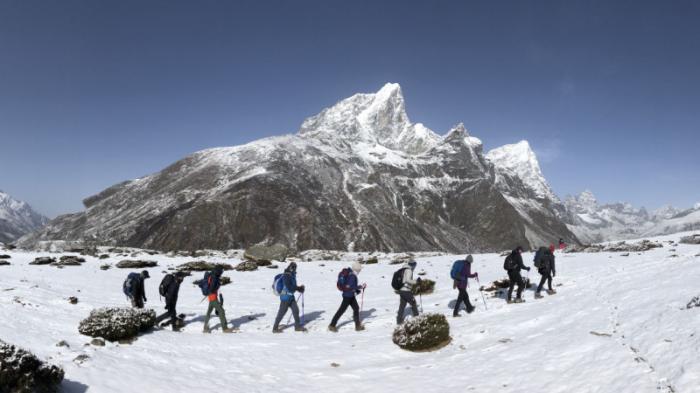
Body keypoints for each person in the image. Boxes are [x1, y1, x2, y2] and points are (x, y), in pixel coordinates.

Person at [328, 261, 366, 332]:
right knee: (341, 310)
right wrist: (361, 286)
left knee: (356, 308)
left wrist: (357, 290)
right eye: (359, 270)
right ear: (356, 269)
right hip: (348, 296)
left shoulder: (351, 274)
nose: (360, 271)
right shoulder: (352, 276)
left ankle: (357, 326)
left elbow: (350, 287)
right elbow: (351, 286)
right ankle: (332, 325)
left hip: (350, 295)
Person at [272, 262, 307, 333]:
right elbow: (289, 287)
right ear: (290, 267)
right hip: (285, 297)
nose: (294, 269)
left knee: (296, 310)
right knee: (281, 313)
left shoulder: (292, 275)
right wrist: (298, 288)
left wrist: (299, 288)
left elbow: (293, 286)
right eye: (293, 267)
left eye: (295, 267)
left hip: (291, 296)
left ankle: (297, 327)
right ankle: (275, 328)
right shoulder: (286, 276)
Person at [203, 266, 234, 333]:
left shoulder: (212, 275)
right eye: (221, 271)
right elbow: (212, 288)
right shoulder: (214, 277)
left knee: (209, 312)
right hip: (213, 297)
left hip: (211, 296)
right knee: (221, 311)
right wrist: (218, 285)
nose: (222, 272)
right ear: (218, 271)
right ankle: (225, 328)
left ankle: (205, 328)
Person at [396, 260, 421, 324]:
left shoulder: (404, 269)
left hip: (401, 290)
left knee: (402, 305)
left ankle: (399, 320)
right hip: (406, 290)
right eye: (415, 265)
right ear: (413, 265)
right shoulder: (409, 270)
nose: (415, 267)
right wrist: (416, 282)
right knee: (413, 303)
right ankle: (417, 318)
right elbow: (407, 280)